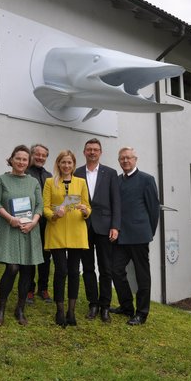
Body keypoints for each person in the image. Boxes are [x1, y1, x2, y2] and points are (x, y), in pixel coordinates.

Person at [0, 145, 44, 326]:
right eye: (18, 158)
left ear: (28, 162)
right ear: (11, 159)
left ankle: (20, 309)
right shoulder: (2, 180)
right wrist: (11, 219)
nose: (21, 162)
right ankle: (1, 308)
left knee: (27, 270)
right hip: (10, 229)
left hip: (29, 230)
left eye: (25, 159)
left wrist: (34, 222)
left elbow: (39, 206)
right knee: (12, 268)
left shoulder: (33, 182)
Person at [110, 146, 160, 326]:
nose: (125, 161)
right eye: (122, 158)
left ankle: (142, 313)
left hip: (139, 236)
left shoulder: (147, 179)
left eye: (128, 158)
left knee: (142, 276)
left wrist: (149, 232)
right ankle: (126, 307)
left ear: (135, 159)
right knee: (115, 270)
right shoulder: (116, 180)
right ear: (119, 161)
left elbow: (154, 210)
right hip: (120, 236)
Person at [43, 150, 91, 327]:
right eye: (63, 162)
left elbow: (87, 205)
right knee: (61, 271)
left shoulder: (81, 182)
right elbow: (45, 207)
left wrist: (86, 211)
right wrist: (55, 214)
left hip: (76, 231)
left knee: (73, 272)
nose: (66, 165)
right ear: (58, 164)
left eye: (69, 162)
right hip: (56, 230)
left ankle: (71, 311)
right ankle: (60, 310)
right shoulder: (50, 182)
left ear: (73, 164)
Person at [74, 138, 120, 323]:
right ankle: (93, 304)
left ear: (100, 153)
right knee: (87, 268)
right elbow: (71, 199)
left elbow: (116, 201)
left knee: (106, 269)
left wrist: (115, 226)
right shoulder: (76, 173)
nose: (92, 152)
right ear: (84, 152)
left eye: (95, 149)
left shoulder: (110, 173)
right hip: (82, 226)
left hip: (104, 227)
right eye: (89, 149)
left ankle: (105, 306)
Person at [25, 144, 53, 304]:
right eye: (38, 154)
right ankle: (29, 289)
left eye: (44, 155)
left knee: (45, 257)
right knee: (30, 256)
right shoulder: (25, 173)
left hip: (47, 223)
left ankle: (43, 288)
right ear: (32, 154)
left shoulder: (49, 176)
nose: (41, 157)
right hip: (30, 221)